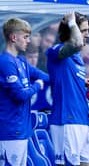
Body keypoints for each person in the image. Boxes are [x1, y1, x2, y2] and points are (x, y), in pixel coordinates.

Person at [46, 11, 89, 166]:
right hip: (66, 122)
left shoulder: (77, 58)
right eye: (83, 30)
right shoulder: (56, 50)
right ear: (71, 30)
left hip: (83, 121)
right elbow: (76, 43)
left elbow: (73, 89)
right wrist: (71, 21)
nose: (88, 35)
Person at [0, 18, 49, 166]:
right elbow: (19, 95)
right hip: (10, 132)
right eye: (25, 37)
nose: (28, 41)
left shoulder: (21, 61)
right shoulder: (5, 62)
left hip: (22, 131)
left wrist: (69, 79)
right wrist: (37, 86)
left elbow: (44, 76)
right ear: (14, 37)